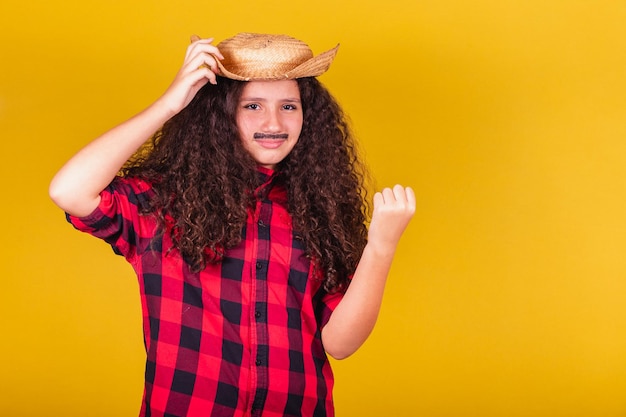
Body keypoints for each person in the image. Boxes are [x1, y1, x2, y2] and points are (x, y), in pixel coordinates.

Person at [49, 32, 415, 417]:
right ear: (221, 115)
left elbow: (340, 343)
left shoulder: (320, 209)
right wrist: (170, 103)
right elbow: (70, 191)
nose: (273, 122)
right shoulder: (163, 203)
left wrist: (381, 247)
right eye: (252, 105)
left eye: (288, 106)